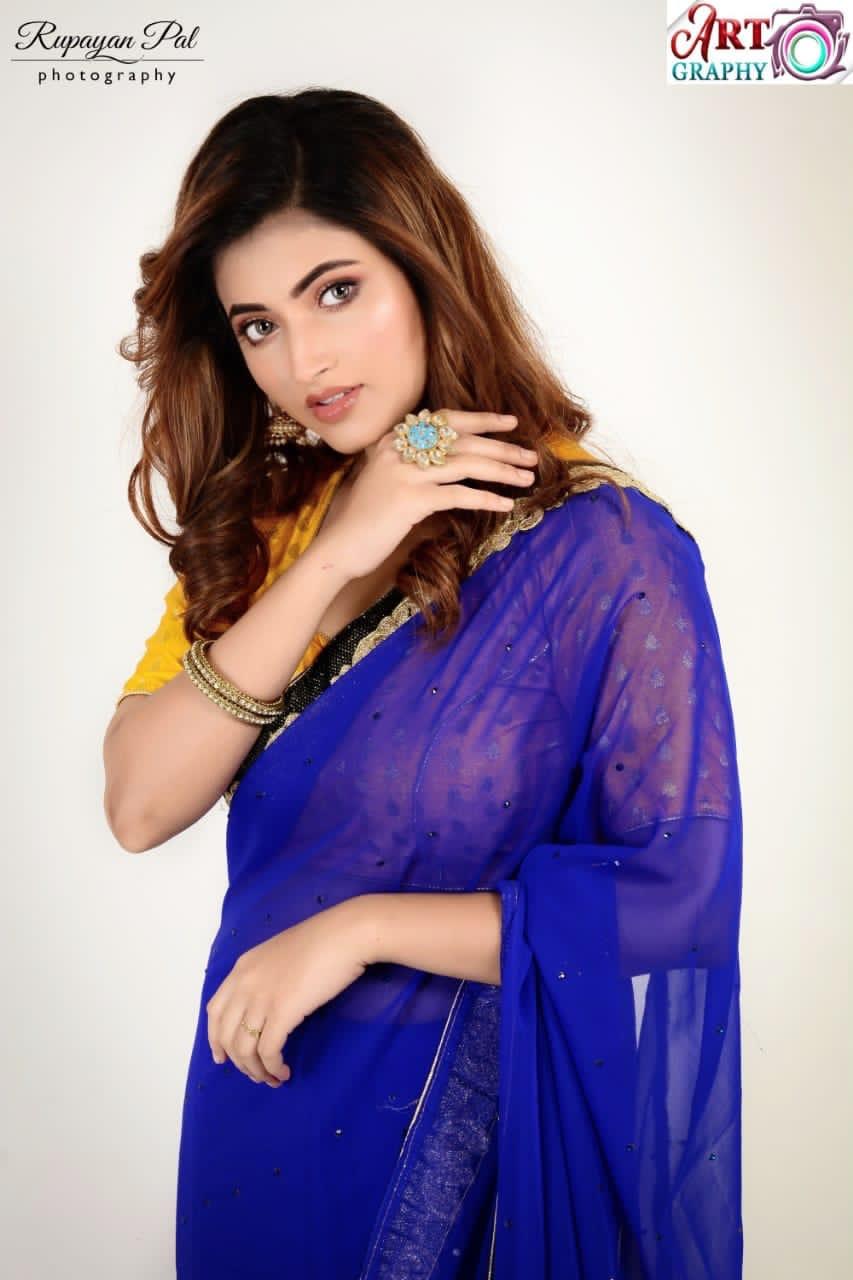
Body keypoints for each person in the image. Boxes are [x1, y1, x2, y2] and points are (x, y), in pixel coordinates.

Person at [103, 89, 743, 1279]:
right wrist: (335, 556)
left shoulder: (604, 547)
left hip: (469, 1161)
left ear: (424, 268)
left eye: (336, 291)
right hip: (259, 1124)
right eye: (257, 325)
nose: (304, 361)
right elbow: (139, 803)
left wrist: (359, 930)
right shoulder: (269, 532)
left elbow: (681, 898)